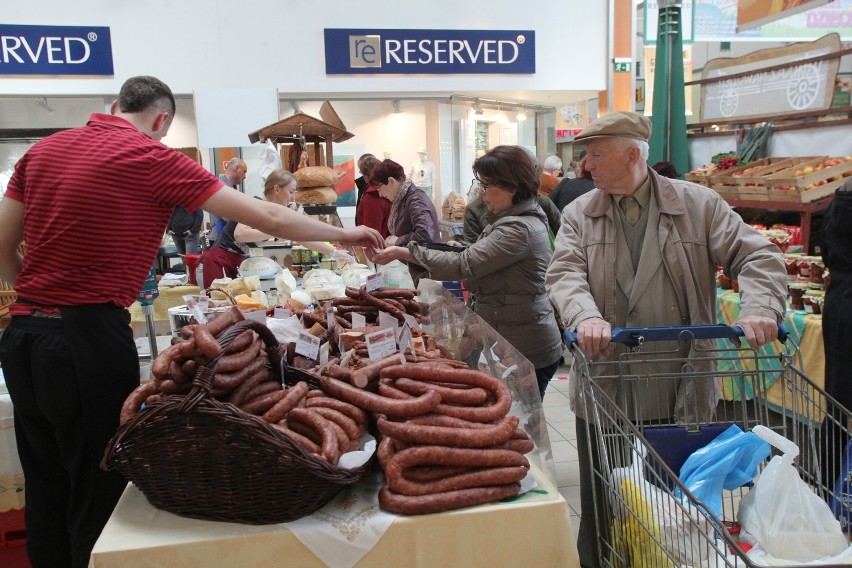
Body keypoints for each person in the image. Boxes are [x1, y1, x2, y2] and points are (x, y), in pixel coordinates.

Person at [0, 75, 384, 568]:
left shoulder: (42, 152)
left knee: (46, 480)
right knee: (97, 482)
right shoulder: (151, 156)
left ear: (115, 105)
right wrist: (348, 231)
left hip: (25, 336)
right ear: (162, 120)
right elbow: (271, 218)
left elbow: (4, 246)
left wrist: (39, 295)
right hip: (87, 336)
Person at [544, 111, 787, 568]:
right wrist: (585, 315)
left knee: (676, 507)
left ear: (633, 154)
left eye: (596, 154)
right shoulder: (579, 213)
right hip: (607, 383)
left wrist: (759, 308)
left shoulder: (699, 205)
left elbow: (755, 254)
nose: (586, 166)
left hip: (679, 380)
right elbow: (565, 274)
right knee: (604, 502)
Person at [369, 145, 563, 400]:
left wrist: (405, 252)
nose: (482, 194)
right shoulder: (514, 219)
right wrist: (462, 249)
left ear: (512, 186)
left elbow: (464, 264)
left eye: (487, 185)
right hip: (511, 337)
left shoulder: (518, 228)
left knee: (517, 424)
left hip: (524, 345)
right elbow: (480, 258)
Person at [819, 177, 852, 490]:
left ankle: (831, 491)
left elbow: (826, 253)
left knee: (838, 405)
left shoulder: (839, 199)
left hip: (839, 303)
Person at [463, 181, 561, 245]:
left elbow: (470, 261)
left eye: (486, 185)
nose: (480, 191)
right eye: (481, 184)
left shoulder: (520, 225)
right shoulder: (475, 209)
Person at [370, 158, 440, 246]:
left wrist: (398, 240)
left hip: (423, 259)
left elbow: (426, 235)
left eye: (379, 188)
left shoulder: (415, 200)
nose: (380, 194)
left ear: (391, 181)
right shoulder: (403, 199)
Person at [209, 157, 248, 243]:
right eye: (244, 172)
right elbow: (227, 216)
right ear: (236, 168)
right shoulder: (222, 188)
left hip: (225, 238)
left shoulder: (230, 188)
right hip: (220, 240)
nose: (245, 176)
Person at [354, 156, 391, 237]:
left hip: (378, 247)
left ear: (366, 176)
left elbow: (372, 234)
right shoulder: (386, 190)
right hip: (386, 245)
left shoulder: (372, 196)